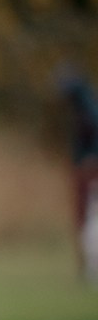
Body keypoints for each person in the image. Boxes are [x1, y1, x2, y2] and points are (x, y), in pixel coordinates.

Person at [57, 65, 98, 284]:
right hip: (86, 171)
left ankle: (91, 269)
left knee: (90, 220)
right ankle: (88, 269)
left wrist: (89, 161)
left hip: (89, 173)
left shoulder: (88, 109)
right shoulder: (84, 108)